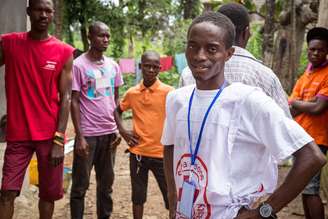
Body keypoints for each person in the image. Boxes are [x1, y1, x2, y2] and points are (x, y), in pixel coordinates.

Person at [162, 12, 326, 219]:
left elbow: (312, 157)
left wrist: (264, 212)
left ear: (228, 54)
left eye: (212, 49)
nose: (199, 56)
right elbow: (169, 145)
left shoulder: (248, 100)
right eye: (193, 46)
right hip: (186, 211)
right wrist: (173, 195)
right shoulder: (177, 99)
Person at [0, 0, 74, 218]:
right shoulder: (10, 44)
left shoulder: (63, 51)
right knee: (6, 193)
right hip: (18, 135)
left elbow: (67, 97)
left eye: (48, 11)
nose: (43, 15)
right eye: (38, 10)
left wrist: (59, 140)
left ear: (52, 14)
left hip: (50, 136)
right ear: (28, 12)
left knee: (48, 195)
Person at [178, 3, 291, 118]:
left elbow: (182, 116)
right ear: (246, 32)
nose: (200, 56)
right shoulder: (264, 76)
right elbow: (285, 123)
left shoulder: (188, 73)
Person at [70, 21, 123, 219]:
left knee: (106, 186)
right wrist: (80, 136)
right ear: (90, 37)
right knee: (79, 187)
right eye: (101, 35)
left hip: (109, 135)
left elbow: (115, 100)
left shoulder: (113, 66)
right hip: (88, 136)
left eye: (108, 36)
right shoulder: (78, 65)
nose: (106, 39)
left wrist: (117, 129)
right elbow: (73, 101)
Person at [114, 51, 173, 219]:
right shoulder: (132, 93)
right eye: (147, 66)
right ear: (141, 67)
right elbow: (116, 111)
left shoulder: (169, 92)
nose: (151, 70)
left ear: (160, 69)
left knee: (171, 196)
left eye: (155, 67)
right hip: (138, 154)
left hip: (163, 154)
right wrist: (123, 132)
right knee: (138, 197)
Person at [289, 27, 328, 219]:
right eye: (312, 49)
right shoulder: (305, 76)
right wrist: (306, 103)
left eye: (320, 50)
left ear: (326, 50)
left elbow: (318, 108)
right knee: (304, 189)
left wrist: (300, 103)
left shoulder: (327, 74)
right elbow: (290, 109)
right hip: (300, 137)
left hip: (317, 139)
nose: (315, 53)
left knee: (311, 189)